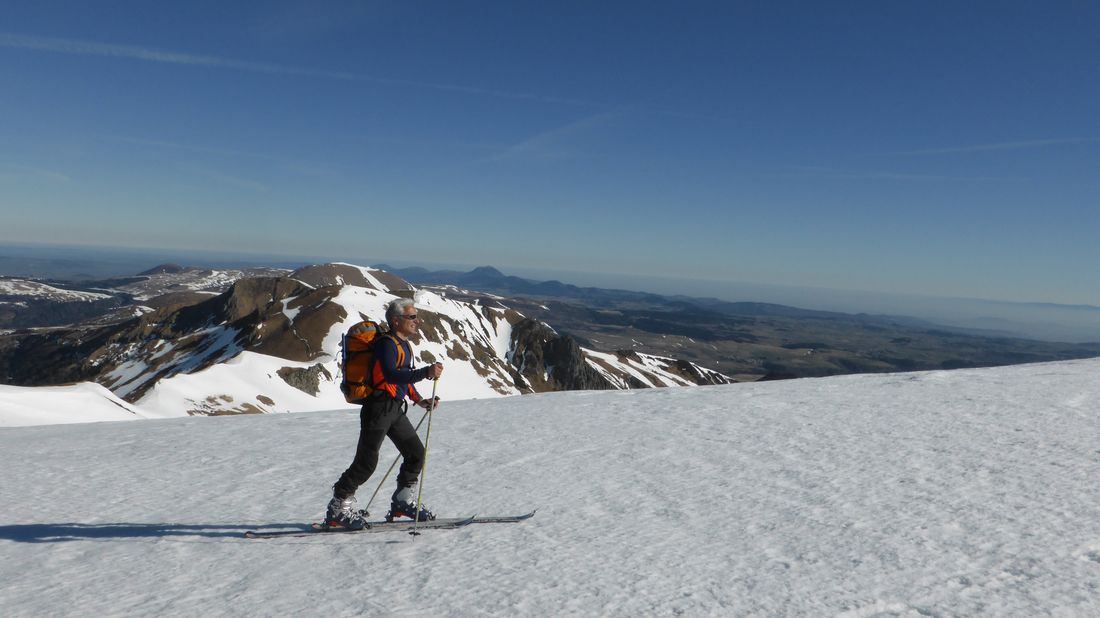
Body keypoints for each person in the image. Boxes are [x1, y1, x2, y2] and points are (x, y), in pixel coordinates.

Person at [324, 298, 444, 529]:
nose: (416, 321)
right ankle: (338, 508)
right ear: (396, 321)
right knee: (366, 462)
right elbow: (391, 375)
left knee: (416, 453)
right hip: (378, 409)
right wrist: (426, 372)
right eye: (412, 317)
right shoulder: (386, 344)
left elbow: (403, 378)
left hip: (393, 409)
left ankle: (402, 501)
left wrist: (419, 400)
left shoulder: (403, 345)